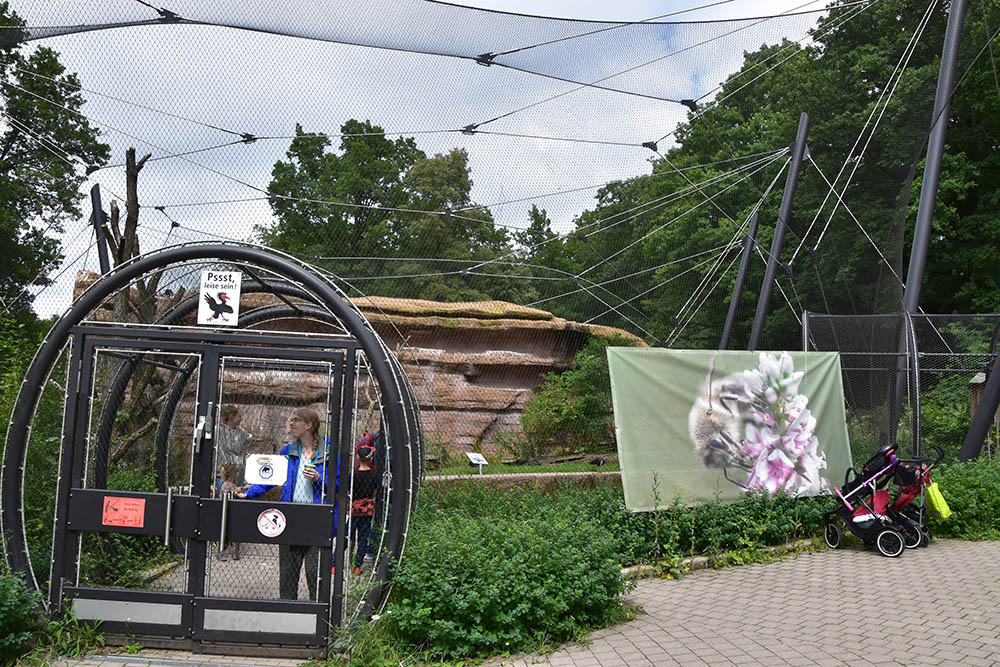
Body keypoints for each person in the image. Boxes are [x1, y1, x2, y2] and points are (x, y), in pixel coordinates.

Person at [238, 408, 331, 601]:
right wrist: (248, 493)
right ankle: (287, 608)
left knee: (315, 571)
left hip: (316, 518)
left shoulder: (327, 451)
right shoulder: (288, 452)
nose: (291, 423)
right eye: (291, 419)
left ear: (308, 425)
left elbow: (339, 483)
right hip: (289, 517)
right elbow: (271, 478)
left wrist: (319, 477)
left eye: (296, 420)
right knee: (288, 572)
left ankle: (318, 611)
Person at [350, 433, 380, 575]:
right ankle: (357, 566)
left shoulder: (353, 475)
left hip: (354, 509)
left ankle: (334, 563)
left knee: (347, 535)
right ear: (371, 458)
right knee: (363, 538)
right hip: (367, 510)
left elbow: (348, 491)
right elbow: (375, 492)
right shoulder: (374, 475)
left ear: (358, 458)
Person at [216, 405, 251, 494]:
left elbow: (249, 440)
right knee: (224, 497)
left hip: (238, 474)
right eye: (239, 416)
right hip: (223, 474)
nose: (241, 419)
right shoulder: (218, 431)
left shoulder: (242, 432)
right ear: (231, 416)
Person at [217, 462, 241, 561]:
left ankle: (234, 550)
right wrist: (237, 491)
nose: (238, 474)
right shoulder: (226, 484)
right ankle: (219, 551)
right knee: (222, 531)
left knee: (234, 531)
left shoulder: (234, 484)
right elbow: (226, 495)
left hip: (233, 511)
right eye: (237, 472)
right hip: (225, 511)